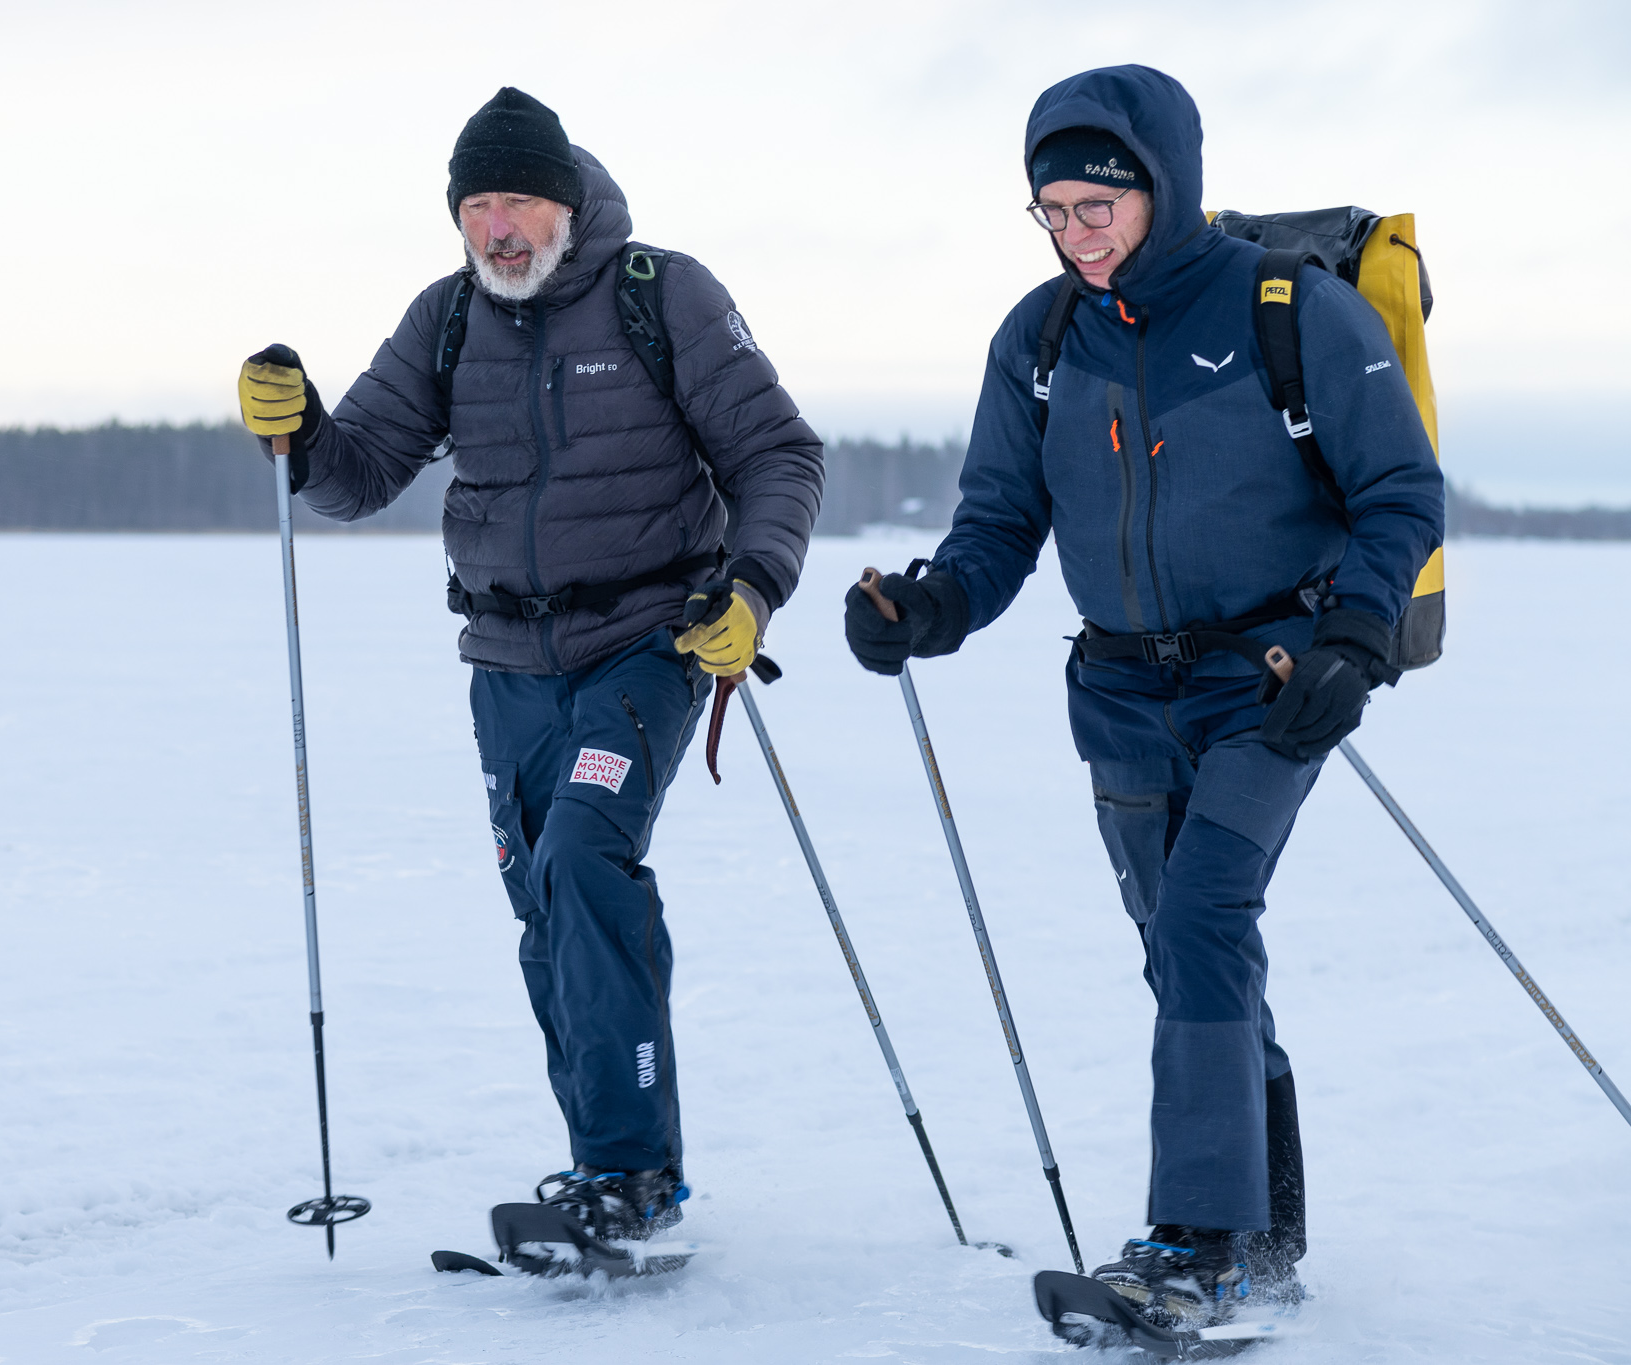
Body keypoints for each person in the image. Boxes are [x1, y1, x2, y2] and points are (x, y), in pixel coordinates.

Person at [843, 66, 1441, 1322]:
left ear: (1160, 189)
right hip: (1117, 692)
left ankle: (1198, 1246)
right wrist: (932, 606)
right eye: (1050, 211)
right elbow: (1000, 522)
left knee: (1202, 922)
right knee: (1187, 959)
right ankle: (1264, 1240)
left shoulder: (1291, 310)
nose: (1075, 232)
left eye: (1095, 204)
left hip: (1269, 682)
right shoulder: (1039, 338)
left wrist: (1353, 641)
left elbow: (1398, 490)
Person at [238, 88, 823, 1253]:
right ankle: (598, 1173)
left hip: (649, 643)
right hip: (505, 661)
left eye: (519, 201)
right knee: (542, 907)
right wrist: (297, 434)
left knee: (583, 856)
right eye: (477, 206)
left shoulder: (665, 295)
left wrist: (751, 589)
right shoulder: (446, 319)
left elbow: (776, 452)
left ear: (566, 202)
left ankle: (632, 1174)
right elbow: (359, 474)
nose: (499, 227)